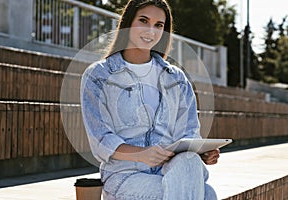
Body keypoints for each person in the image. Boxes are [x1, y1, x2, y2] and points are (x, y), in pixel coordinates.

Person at [80, 0, 220, 199]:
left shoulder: (176, 78)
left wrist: (202, 152)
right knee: (206, 194)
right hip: (126, 177)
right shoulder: (99, 75)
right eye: (143, 21)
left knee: (190, 162)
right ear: (128, 22)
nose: (151, 31)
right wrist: (140, 153)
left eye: (158, 25)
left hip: (171, 170)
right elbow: (101, 139)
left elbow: (189, 133)